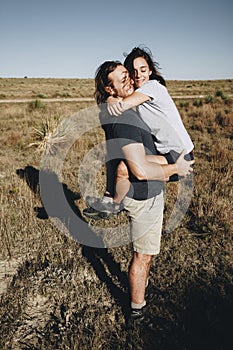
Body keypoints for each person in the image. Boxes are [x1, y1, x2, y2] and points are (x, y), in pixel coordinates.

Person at [83, 61, 194, 325]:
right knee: (142, 257)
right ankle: (137, 311)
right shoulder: (125, 118)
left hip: (136, 189)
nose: (131, 80)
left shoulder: (117, 109)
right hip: (144, 194)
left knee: (143, 254)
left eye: (128, 75)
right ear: (109, 88)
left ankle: (112, 201)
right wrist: (175, 168)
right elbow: (140, 170)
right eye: (123, 79)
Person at [84, 47, 194, 219]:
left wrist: (111, 98)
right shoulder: (138, 90)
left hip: (180, 155)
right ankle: (110, 200)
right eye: (133, 72)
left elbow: (122, 105)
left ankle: (114, 204)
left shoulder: (152, 87)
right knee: (119, 160)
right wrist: (111, 96)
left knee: (127, 167)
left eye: (143, 70)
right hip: (164, 151)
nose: (138, 75)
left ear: (150, 71)